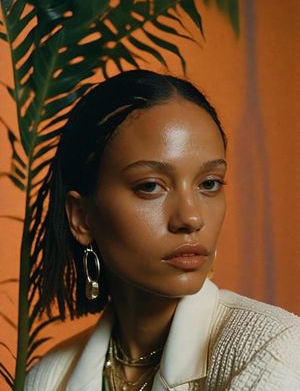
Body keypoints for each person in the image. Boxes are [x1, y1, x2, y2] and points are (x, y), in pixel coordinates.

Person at [25, 69, 300, 391]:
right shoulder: (48, 378)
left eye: (209, 184)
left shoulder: (274, 350)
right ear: (82, 218)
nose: (191, 217)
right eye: (151, 186)